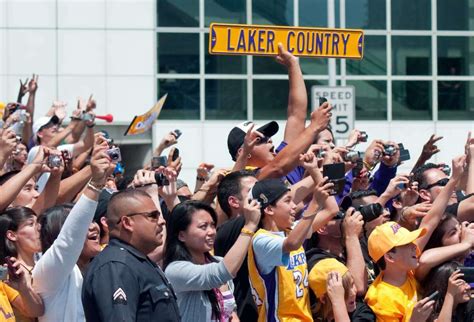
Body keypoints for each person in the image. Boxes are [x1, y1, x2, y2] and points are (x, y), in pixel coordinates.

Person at [32, 139, 109, 322]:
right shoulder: (47, 271)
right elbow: (69, 241)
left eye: (92, 220)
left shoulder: (94, 266)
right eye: (83, 223)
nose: (92, 226)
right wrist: (95, 183)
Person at [82, 189, 181, 322]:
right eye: (153, 216)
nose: (162, 221)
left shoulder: (137, 261)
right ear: (127, 223)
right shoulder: (116, 266)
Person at [247, 174, 336, 321]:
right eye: (288, 201)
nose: (294, 206)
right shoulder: (261, 240)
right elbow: (292, 244)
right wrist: (314, 203)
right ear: (269, 209)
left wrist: (315, 171)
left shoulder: (291, 231)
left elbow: (331, 210)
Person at [164, 199, 260, 321]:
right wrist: (249, 226)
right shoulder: (176, 270)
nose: (212, 232)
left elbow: (231, 312)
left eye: (213, 225)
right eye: (203, 227)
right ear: (181, 235)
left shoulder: (218, 261)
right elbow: (221, 273)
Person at [364, 222, 435, 321]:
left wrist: (465, 245)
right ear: (389, 256)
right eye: (406, 243)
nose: (414, 246)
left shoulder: (407, 270)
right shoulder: (381, 299)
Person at [215, 170, 259, 321]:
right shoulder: (226, 232)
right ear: (234, 201)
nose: (262, 193)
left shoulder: (265, 226)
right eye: (253, 190)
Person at [308, 258, 375, 321]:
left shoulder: (363, 313)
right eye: (342, 291)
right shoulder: (313, 317)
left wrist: (338, 302)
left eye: (352, 284)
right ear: (323, 299)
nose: (353, 293)